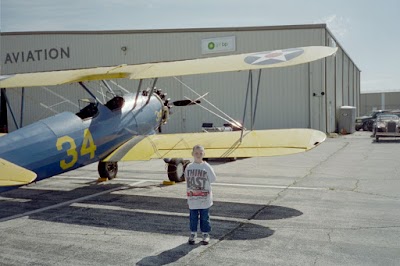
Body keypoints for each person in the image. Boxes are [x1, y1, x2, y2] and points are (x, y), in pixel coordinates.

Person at [185, 145, 216, 245]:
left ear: (204, 154)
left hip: (204, 199)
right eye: (196, 153)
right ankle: (193, 233)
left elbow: (213, 179)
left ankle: (205, 234)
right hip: (193, 198)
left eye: (201, 153)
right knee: (193, 217)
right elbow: (187, 179)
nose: (198, 155)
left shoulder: (206, 166)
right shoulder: (189, 167)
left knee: (204, 217)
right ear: (192, 154)